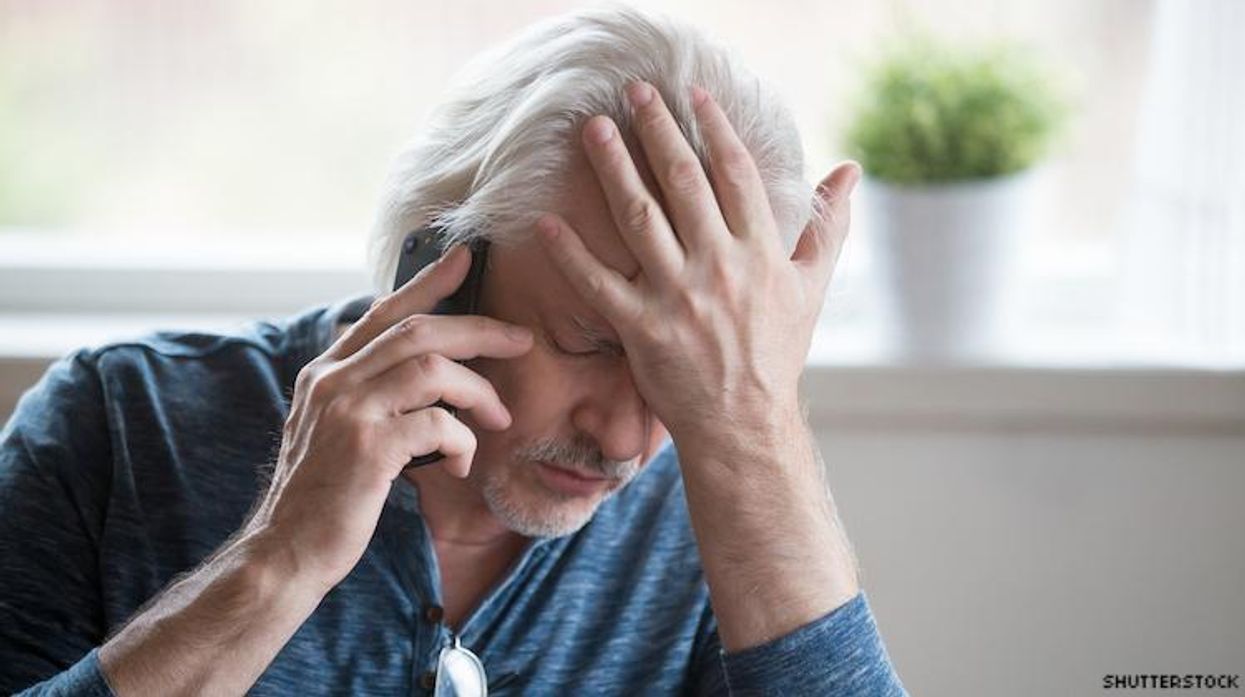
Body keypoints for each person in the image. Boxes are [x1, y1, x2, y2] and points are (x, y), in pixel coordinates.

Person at [0, 7, 906, 695]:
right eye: (590, 342)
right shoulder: (117, 426)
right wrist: (279, 560)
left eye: (683, 370)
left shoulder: (728, 518)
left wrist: (749, 427)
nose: (627, 438)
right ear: (437, 266)